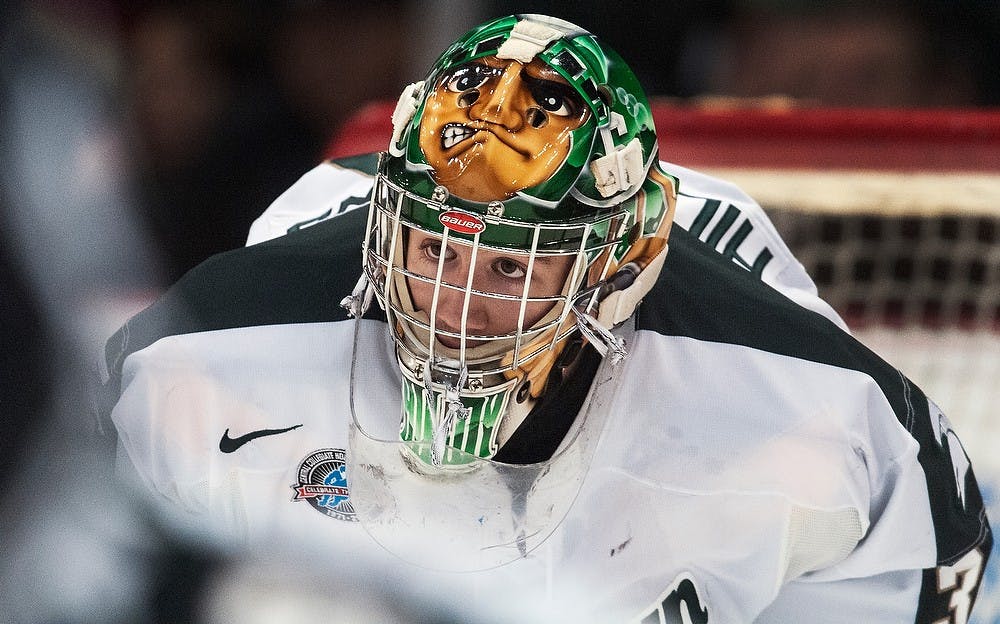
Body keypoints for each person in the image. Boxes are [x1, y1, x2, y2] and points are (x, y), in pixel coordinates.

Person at [100, 14, 992, 622]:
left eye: (511, 268)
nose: (454, 305)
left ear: (617, 263)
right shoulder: (215, 354)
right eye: (435, 251)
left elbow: (929, 546)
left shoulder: (798, 408)